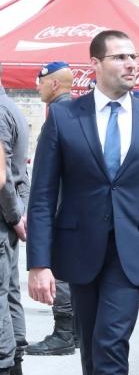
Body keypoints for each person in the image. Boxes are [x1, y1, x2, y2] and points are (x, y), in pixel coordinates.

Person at [27, 30, 139, 375]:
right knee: (94, 349)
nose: (131, 64)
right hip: (80, 251)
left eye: (134, 57)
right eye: (120, 57)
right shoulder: (65, 118)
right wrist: (38, 263)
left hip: (132, 254)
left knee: (111, 343)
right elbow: (43, 197)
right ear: (95, 63)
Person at [27, 62, 80, 358]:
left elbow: (49, 178)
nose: (37, 86)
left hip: (60, 210)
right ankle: (76, 334)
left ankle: (63, 335)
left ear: (55, 84)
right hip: (74, 210)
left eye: (41, 81)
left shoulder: (58, 116)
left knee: (60, 274)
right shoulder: (77, 113)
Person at [0, 63, 30, 375]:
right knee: (8, 295)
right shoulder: (10, 106)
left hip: (3, 216)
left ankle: (7, 368)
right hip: (8, 217)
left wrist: (14, 214)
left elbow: (3, 176)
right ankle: (13, 364)